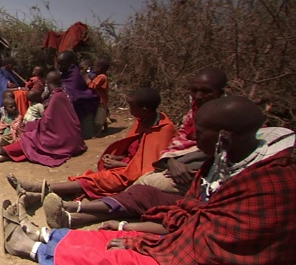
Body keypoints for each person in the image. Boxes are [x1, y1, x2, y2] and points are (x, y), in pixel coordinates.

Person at [3, 96, 296, 265]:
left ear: (223, 137)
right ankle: (49, 235)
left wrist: (142, 243)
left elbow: (211, 249)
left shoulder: (272, 184)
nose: (195, 138)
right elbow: (194, 216)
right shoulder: (224, 159)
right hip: (194, 244)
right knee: (124, 236)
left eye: (201, 133)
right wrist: (137, 234)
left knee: (130, 260)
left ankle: (32, 248)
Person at [43, 68, 229, 228]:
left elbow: (148, 163)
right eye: (194, 90)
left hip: (195, 182)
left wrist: (125, 165)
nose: (198, 96)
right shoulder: (191, 115)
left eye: (206, 91)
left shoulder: (229, 121)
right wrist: (170, 161)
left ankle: (68, 207)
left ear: (222, 92)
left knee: (134, 191)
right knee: (132, 192)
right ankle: (62, 207)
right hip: (161, 172)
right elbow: (171, 150)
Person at [7, 87, 175, 199]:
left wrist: (120, 163)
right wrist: (119, 158)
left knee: (93, 180)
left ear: (144, 109)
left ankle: (38, 188)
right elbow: (134, 149)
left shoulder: (163, 129)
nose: (130, 111)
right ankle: (40, 194)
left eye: (131, 107)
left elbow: (149, 166)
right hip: (125, 167)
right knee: (93, 179)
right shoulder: (143, 120)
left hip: (131, 175)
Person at [0, 71, 86, 167]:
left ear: (47, 83)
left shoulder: (56, 98)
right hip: (73, 139)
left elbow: (47, 121)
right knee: (31, 145)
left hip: (61, 139)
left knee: (29, 140)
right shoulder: (63, 95)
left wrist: (33, 126)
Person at [56, 51, 99, 139]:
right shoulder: (64, 74)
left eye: (62, 64)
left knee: (85, 136)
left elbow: (74, 96)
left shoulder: (74, 75)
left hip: (82, 107)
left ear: (70, 63)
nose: (59, 67)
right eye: (58, 64)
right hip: (72, 109)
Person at [84, 57, 110, 136]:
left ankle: (98, 132)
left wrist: (87, 79)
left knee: (99, 116)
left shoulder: (101, 77)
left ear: (100, 68)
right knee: (102, 114)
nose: (94, 68)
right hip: (102, 99)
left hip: (101, 100)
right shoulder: (102, 76)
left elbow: (92, 85)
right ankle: (105, 126)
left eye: (95, 66)